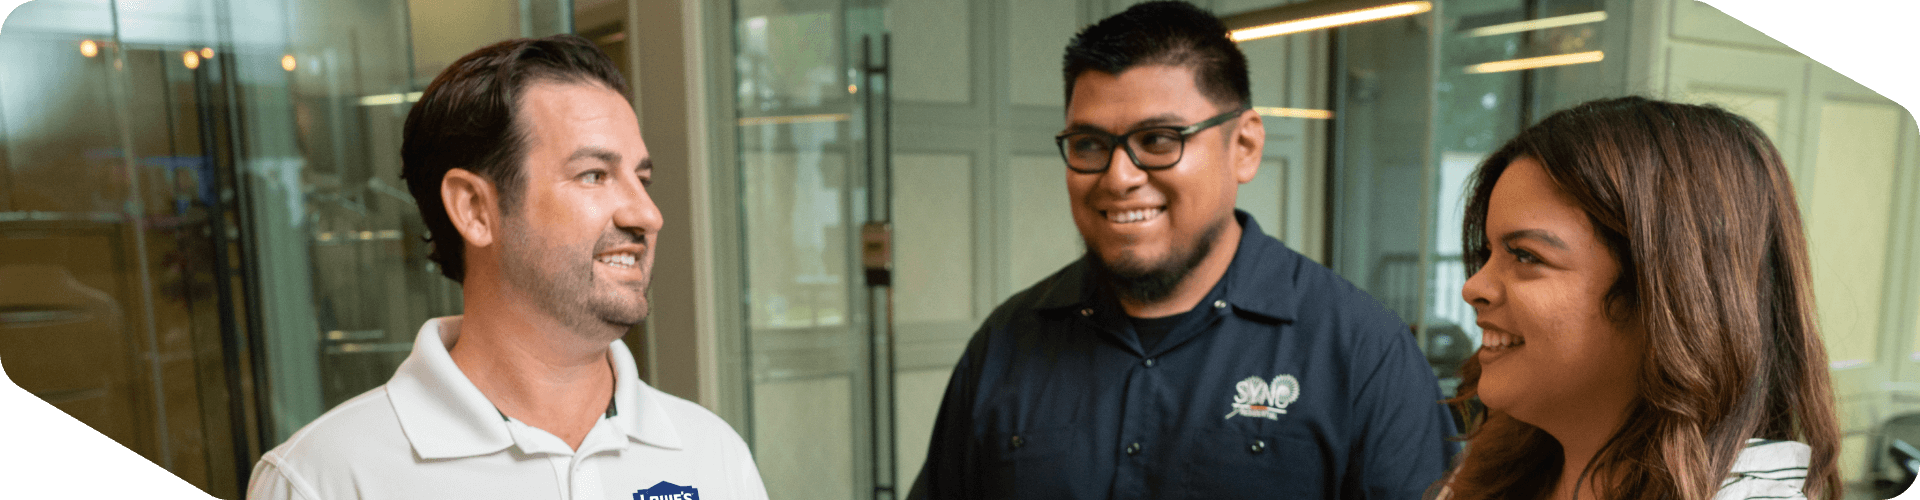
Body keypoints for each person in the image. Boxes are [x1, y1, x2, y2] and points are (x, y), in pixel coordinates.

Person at [907, 2, 1457, 498]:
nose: (1119, 177)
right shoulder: (1007, 343)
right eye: (1090, 145)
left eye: (1159, 141)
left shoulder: (1361, 353)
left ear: (1243, 147)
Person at [246, 35, 769, 500]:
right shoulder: (324, 479)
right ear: (474, 209)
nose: (647, 215)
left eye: (641, 178)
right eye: (593, 175)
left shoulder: (712, 454)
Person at [1439, 96, 1842, 500]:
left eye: (1526, 255)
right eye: (1486, 254)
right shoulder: (1495, 473)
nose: (1473, 287)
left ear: (1669, 293)